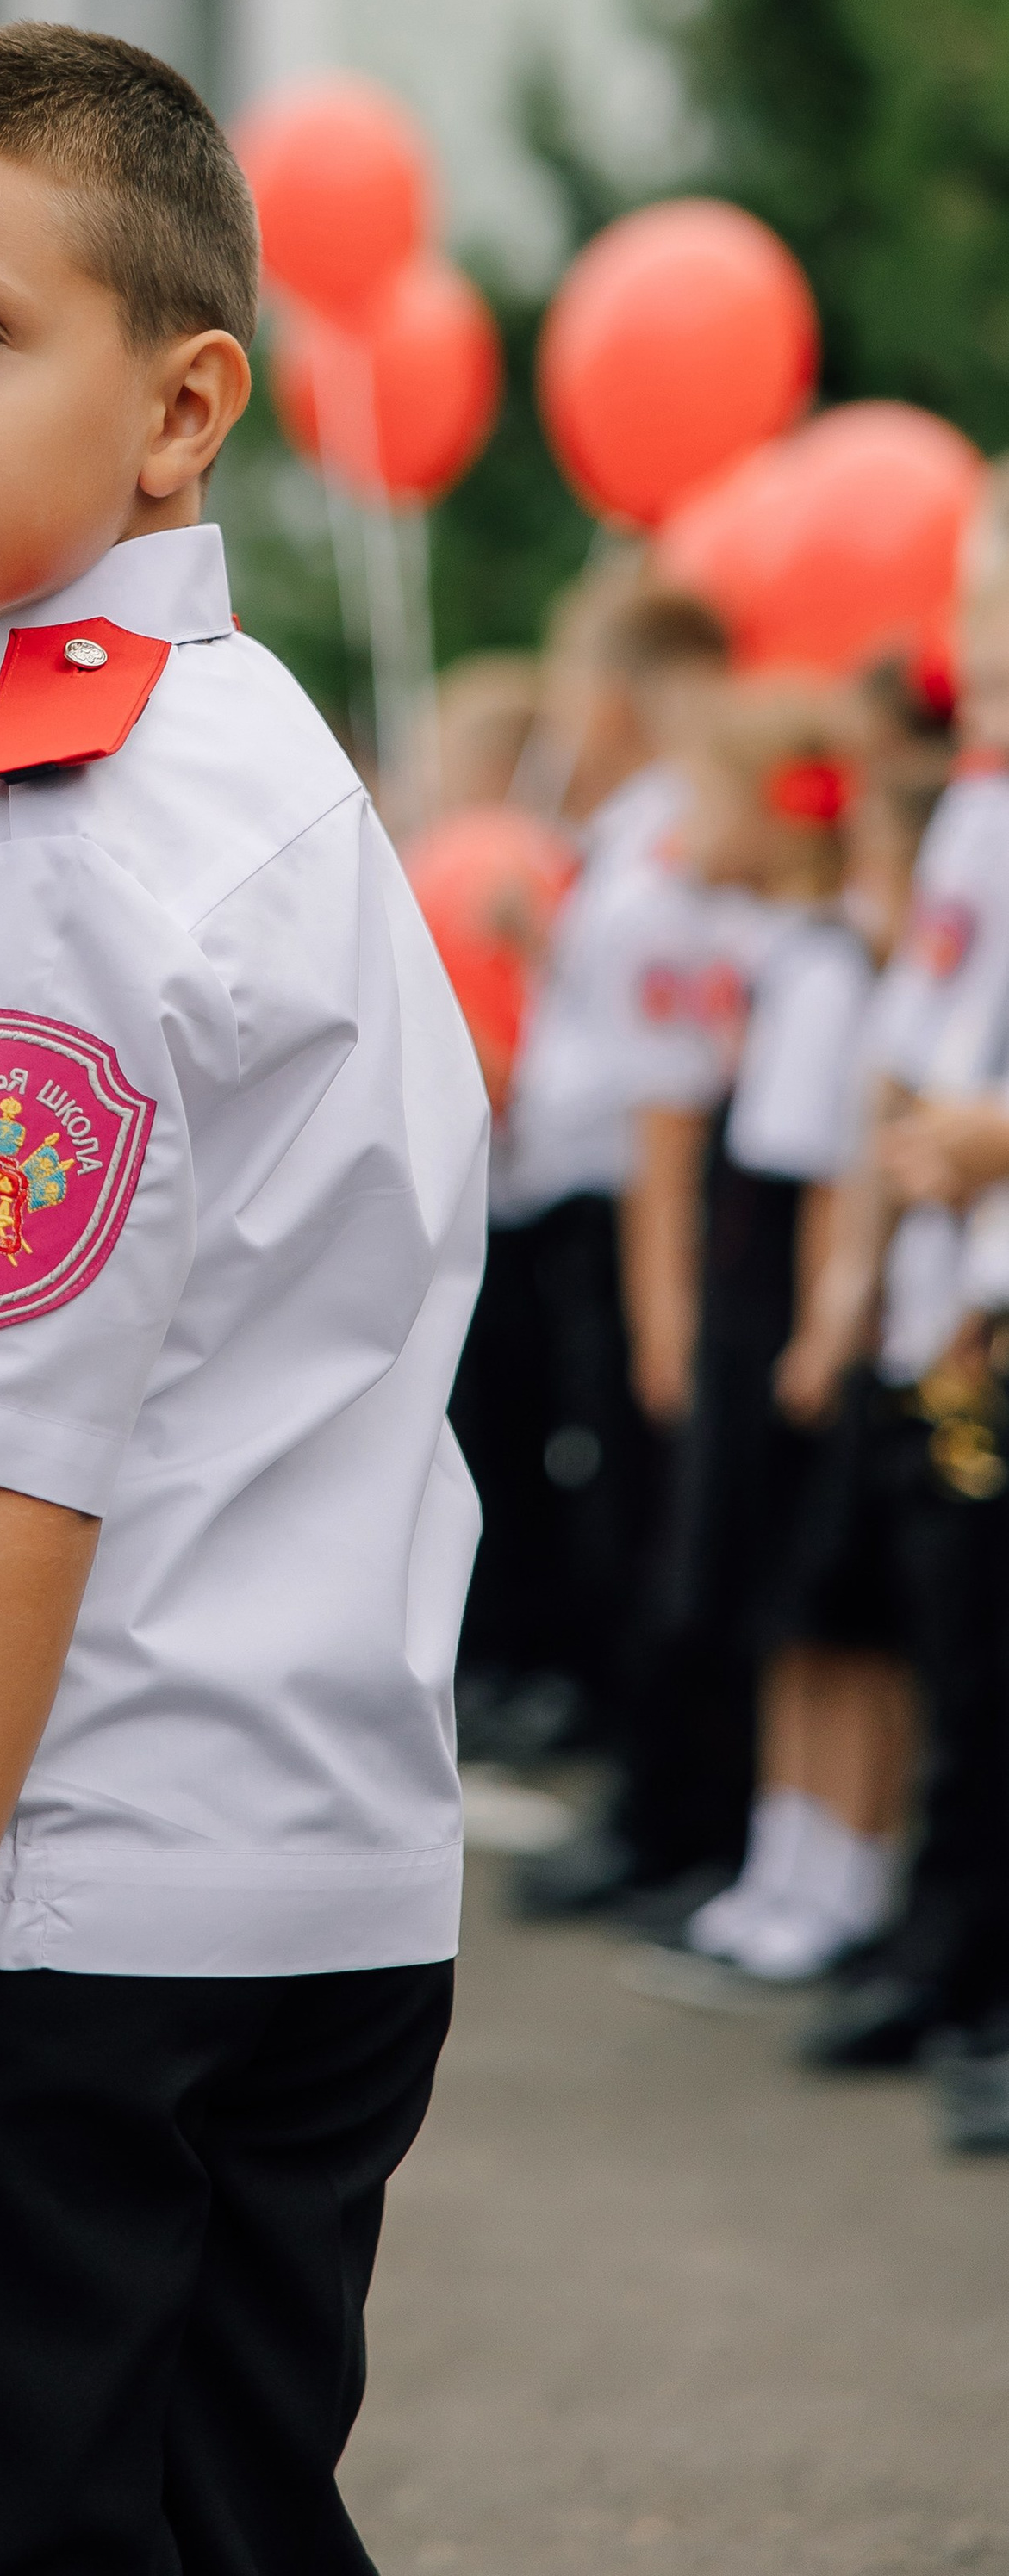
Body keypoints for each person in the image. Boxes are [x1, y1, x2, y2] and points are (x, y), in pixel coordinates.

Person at [0, 23, 487, 2573]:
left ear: (180, 410)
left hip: (33, 1925)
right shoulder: (240, 746)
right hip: (287, 1880)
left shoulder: (39, 842)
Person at [783, 504, 1009, 2147]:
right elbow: (916, 1035)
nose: (968, 633)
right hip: (961, 1290)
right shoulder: (974, 814)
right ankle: (951, 1956)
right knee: (967, 1650)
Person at [620, 676, 885, 1976]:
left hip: (786, 1321)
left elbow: (826, 1178)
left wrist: (825, 1331)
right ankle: (783, 1856)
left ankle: (841, 1867)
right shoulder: (775, 956)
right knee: (776, 1603)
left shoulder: (827, 969)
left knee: (825, 1596)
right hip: (749, 1311)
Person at [465, 580, 731, 1820]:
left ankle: (664, 1790)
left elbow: (664, 1058)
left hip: (631, 1203)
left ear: (617, 694)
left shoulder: (678, 833)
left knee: (636, 1496)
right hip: (575, 1193)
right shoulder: (628, 831)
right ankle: (647, 1780)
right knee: (604, 1490)